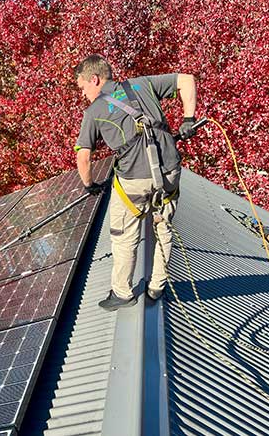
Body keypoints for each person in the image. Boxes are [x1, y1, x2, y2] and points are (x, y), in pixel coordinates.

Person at [74, 54, 197, 311]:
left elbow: (83, 157)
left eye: (83, 87)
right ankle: (157, 287)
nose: (83, 94)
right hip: (169, 172)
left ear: (94, 79)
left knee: (123, 235)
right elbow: (186, 80)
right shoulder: (142, 84)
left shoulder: (94, 111)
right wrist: (188, 119)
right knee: (163, 228)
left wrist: (89, 185)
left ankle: (122, 292)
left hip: (134, 182)